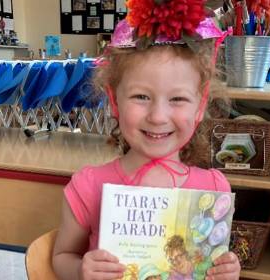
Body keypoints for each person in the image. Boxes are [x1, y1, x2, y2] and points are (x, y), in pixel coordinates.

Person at [52, 0, 241, 278]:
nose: (158, 116)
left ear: (199, 107)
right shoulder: (89, 186)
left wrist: (226, 271)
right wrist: (81, 269)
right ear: (115, 101)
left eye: (177, 99)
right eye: (141, 97)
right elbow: (61, 257)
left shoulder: (213, 190)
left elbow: (210, 262)